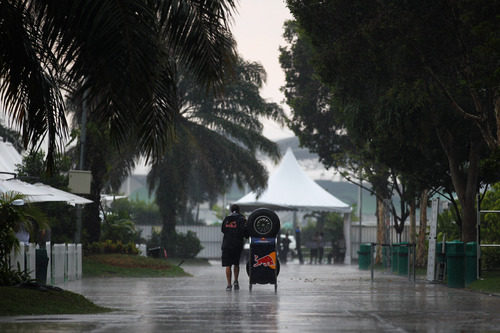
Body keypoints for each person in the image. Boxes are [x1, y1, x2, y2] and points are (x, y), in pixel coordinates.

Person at [221, 204, 247, 291]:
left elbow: (223, 230)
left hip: (226, 245)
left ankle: (229, 285)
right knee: (236, 263)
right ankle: (235, 281)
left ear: (231, 210)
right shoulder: (242, 219)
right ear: (239, 210)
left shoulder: (226, 219)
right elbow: (245, 232)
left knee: (228, 265)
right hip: (237, 245)